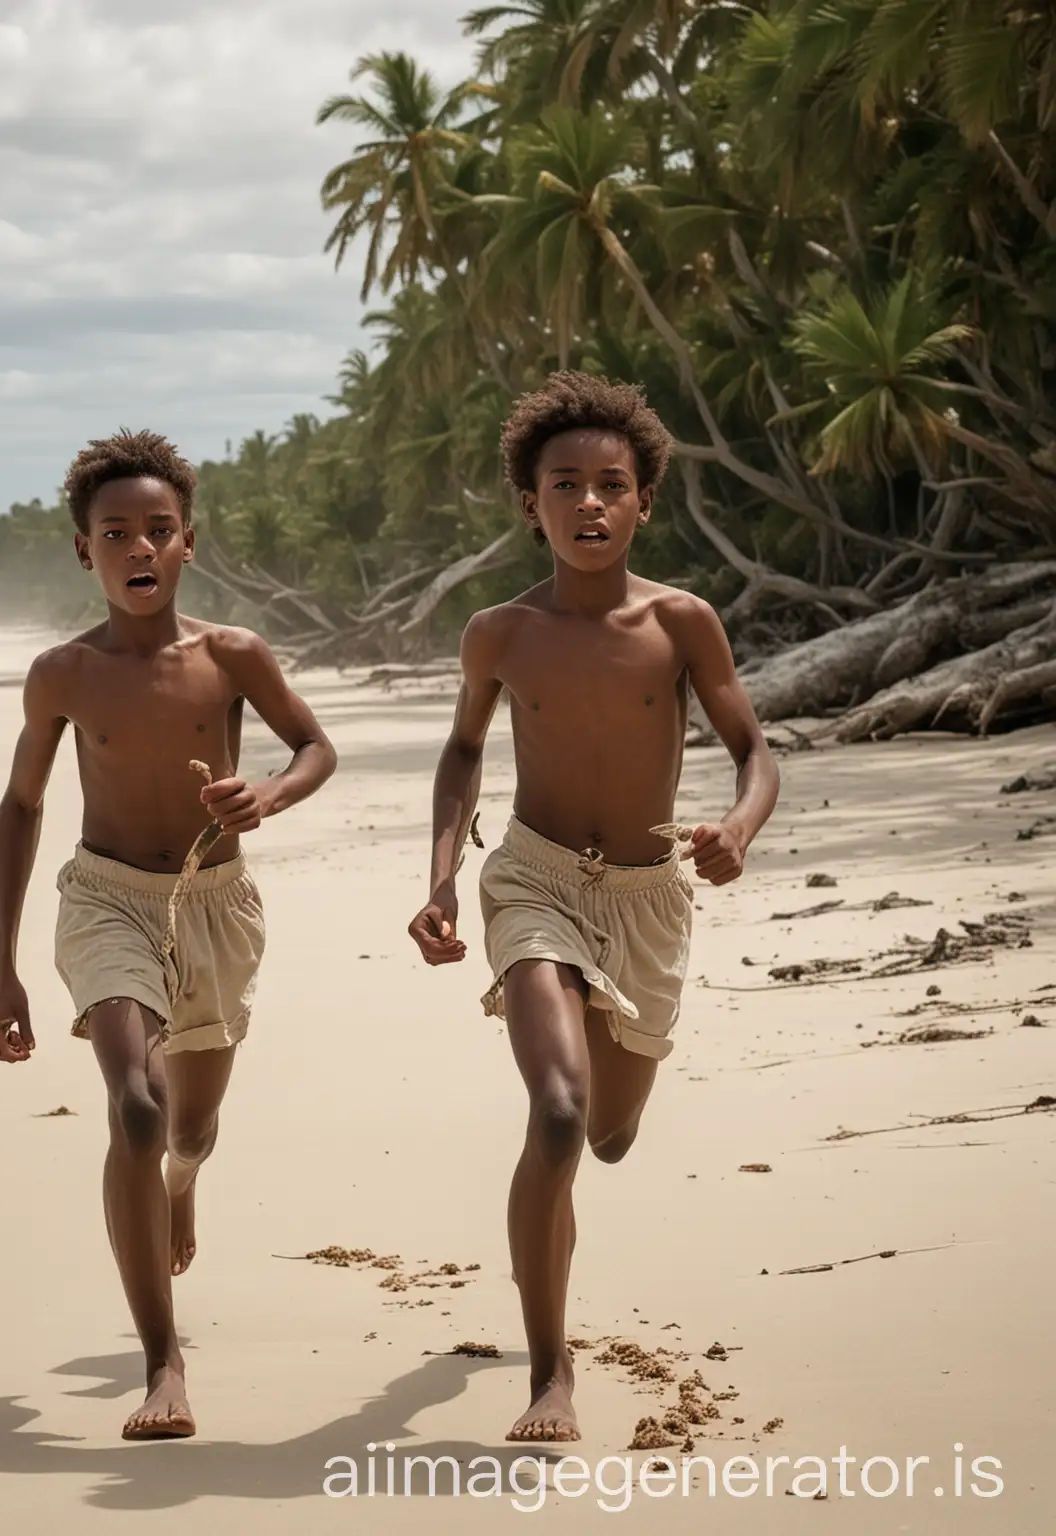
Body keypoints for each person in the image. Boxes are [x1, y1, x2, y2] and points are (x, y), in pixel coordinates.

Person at [407, 373, 780, 1444]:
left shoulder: (683, 622)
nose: (588, 504)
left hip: (650, 895)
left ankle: (571, 1203)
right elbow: (463, 756)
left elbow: (754, 751)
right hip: (533, 879)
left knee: (610, 1136)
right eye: (564, 484)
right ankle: (548, 1371)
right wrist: (440, 879)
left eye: (610, 485)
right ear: (531, 502)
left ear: (642, 501)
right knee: (559, 1113)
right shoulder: (501, 633)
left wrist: (735, 832)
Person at [0, 430, 337, 1440]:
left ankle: (182, 1184)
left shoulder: (230, 656)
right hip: (104, 902)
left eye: (158, 530)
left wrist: (267, 790)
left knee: (187, 1128)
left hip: (213, 903)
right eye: (115, 533)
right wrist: (3, 966)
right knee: (134, 1107)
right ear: (81, 550)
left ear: (189, 543)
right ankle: (162, 1360)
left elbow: (316, 745)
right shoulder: (62, 674)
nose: (139, 548)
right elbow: (20, 808)